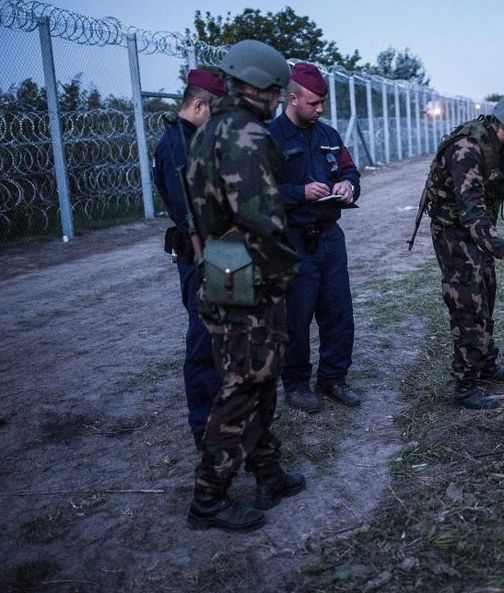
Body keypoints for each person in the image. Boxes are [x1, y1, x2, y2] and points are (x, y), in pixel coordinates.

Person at [184, 40, 305, 531]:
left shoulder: (209, 129)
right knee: (242, 385)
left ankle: (268, 472)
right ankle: (208, 501)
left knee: (257, 378)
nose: (278, 101)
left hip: (222, 266)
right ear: (255, 87)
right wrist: (284, 275)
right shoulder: (245, 136)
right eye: (276, 92)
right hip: (251, 276)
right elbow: (263, 221)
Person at [421, 90, 504, 409]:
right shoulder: (467, 149)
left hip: (474, 231)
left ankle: (485, 363)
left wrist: (494, 249)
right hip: (453, 230)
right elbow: (471, 212)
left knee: (486, 292)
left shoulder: (497, 143)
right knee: (468, 303)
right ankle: (465, 385)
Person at [268, 62, 361, 414]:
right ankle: (295, 384)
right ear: (292, 99)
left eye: (322, 102)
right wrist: (299, 192)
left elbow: (351, 170)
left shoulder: (329, 136)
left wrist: (347, 185)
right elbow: (258, 193)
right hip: (291, 239)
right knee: (296, 315)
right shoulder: (270, 138)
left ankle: (334, 378)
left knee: (339, 311)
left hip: (329, 237)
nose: (320, 109)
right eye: (313, 103)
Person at [153, 69, 226, 453]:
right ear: (199, 105)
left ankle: (224, 418)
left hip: (219, 253)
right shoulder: (177, 147)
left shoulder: (195, 139)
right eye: (215, 112)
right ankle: (204, 428)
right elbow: (191, 215)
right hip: (201, 257)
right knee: (203, 341)